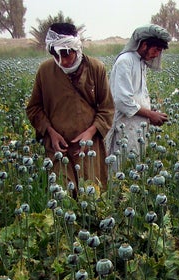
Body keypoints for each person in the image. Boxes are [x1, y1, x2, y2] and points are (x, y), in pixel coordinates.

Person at [26, 23, 114, 189]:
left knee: (92, 195)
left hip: (88, 148)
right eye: (56, 56)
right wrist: (50, 132)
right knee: (63, 199)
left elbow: (107, 108)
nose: (62, 61)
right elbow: (34, 108)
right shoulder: (45, 71)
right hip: (59, 149)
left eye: (66, 55)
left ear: (76, 48)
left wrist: (90, 132)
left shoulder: (96, 68)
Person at [105, 24, 171, 169]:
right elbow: (123, 100)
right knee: (121, 166)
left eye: (160, 51)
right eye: (156, 49)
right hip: (125, 125)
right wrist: (150, 114)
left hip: (137, 124)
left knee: (135, 165)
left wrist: (150, 116)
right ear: (144, 44)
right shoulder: (125, 61)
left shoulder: (140, 62)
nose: (156, 54)